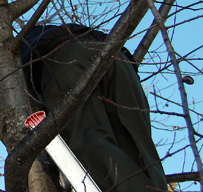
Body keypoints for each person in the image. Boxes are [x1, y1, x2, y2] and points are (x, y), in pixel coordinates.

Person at [21, 23, 167, 192]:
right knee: (139, 146)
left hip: (63, 57)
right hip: (116, 55)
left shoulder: (20, 49)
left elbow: (28, 101)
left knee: (87, 140)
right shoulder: (58, 29)